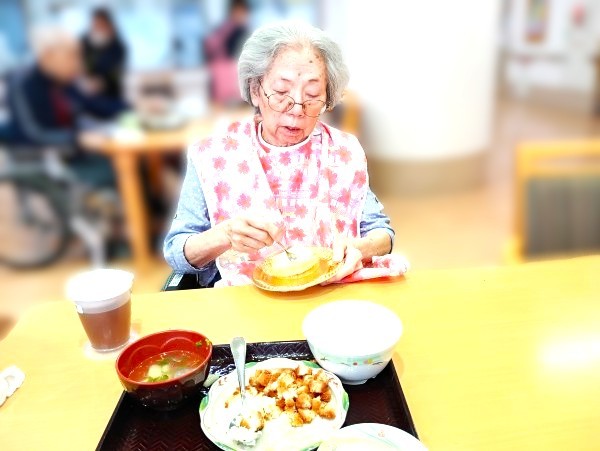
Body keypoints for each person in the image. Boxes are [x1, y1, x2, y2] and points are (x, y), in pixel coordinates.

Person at [164, 21, 395, 287]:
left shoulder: (342, 152)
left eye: (312, 95)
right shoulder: (215, 155)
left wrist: (361, 248)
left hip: (327, 293)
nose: (297, 109)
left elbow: (382, 232)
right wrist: (224, 235)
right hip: (243, 297)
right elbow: (176, 252)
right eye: (282, 92)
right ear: (255, 90)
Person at [5, 26, 126, 187]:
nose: (78, 64)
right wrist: (78, 139)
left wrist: (134, 108)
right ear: (48, 55)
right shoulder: (22, 84)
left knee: (132, 163)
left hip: (76, 155)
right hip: (47, 163)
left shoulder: (64, 81)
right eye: (72, 55)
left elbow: (93, 105)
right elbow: (32, 134)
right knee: (124, 170)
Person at [203, 0, 250, 104]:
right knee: (228, 100)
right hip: (225, 69)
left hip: (220, 69)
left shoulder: (225, 27)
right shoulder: (235, 28)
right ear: (233, 12)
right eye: (241, 12)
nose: (244, 15)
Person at [81, 8, 127, 102]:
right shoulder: (84, 43)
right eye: (96, 25)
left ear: (109, 26)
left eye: (102, 25)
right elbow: (80, 66)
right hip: (87, 94)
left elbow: (116, 73)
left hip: (111, 94)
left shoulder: (118, 47)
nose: (98, 28)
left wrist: (102, 82)